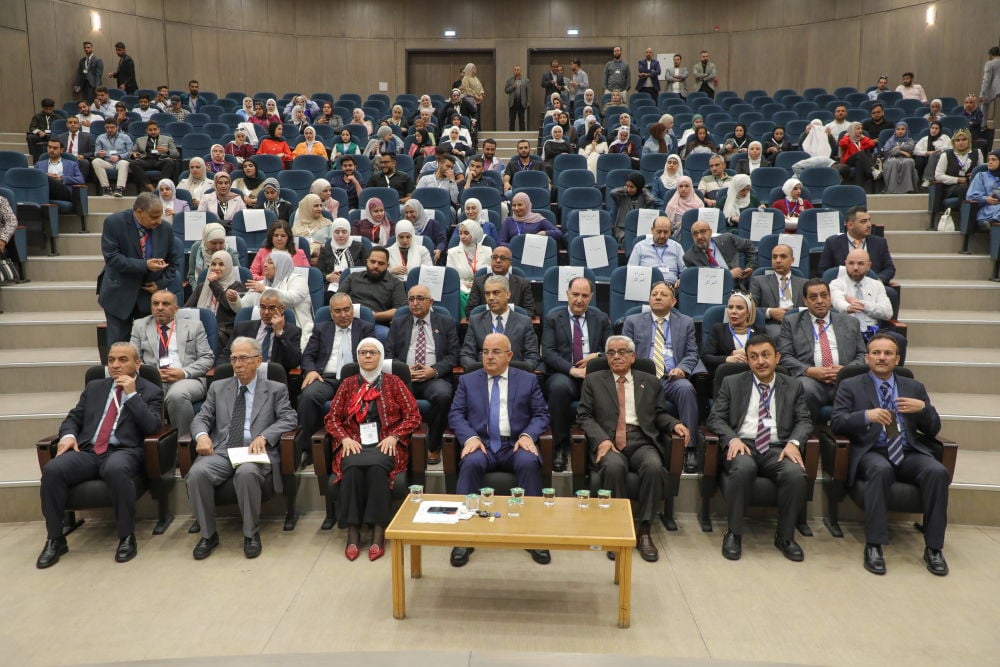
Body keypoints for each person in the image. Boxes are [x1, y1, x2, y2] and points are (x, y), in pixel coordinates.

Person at [36, 342, 163, 569]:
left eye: (123, 360)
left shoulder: (150, 391)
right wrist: (68, 435)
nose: (115, 365)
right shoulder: (95, 388)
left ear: (137, 364)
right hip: (88, 451)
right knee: (53, 470)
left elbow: (152, 426)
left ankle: (126, 536)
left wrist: (132, 395)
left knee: (116, 469)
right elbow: (74, 418)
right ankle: (55, 539)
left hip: (123, 450)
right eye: (111, 360)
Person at [831, 334, 949, 576]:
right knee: (880, 469)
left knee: (937, 471)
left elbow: (933, 429)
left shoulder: (914, 388)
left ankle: (934, 548)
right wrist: (866, 416)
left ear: (897, 359)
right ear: (867, 358)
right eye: (876, 353)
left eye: (888, 353)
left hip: (908, 450)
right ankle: (874, 545)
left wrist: (924, 409)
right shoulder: (851, 385)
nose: (882, 358)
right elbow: (837, 422)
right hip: (871, 450)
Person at [579, 334, 690, 563]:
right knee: (614, 467)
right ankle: (617, 529)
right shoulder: (593, 380)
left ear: (633, 356)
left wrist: (674, 424)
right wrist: (601, 440)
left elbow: (658, 413)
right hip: (608, 439)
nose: (616, 357)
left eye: (622, 352)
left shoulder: (650, 381)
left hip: (641, 439)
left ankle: (645, 530)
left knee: (654, 467)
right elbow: (584, 416)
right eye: (611, 353)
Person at [187, 336, 297, 560]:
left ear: (258, 361)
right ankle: (208, 535)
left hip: (253, 451)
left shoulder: (275, 389)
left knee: (246, 473)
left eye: (244, 358)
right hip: (223, 449)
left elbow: (289, 418)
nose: (237, 364)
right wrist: (202, 436)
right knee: (197, 473)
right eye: (234, 359)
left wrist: (264, 436)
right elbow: (202, 417)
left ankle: (250, 534)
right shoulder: (218, 387)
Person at [449, 333, 551, 567]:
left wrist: (527, 435)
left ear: (509, 355)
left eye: (496, 352)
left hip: (514, 443)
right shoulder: (468, 380)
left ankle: (534, 534)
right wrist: (470, 437)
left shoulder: (527, 380)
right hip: (482, 443)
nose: (489, 357)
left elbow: (541, 414)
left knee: (528, 462)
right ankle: (463, 537)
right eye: (485, 351)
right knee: (471, 463)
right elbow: (455, 414)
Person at [706, 334, 811, 562]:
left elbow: (804, 420)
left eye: (765, 355)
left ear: (777, 357)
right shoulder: (732, 383)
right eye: (753, 357)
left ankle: (785, 537)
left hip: (777, 447)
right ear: (748, 360)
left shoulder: (793, 386)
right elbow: (715, 418)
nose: (760, 361)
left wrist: (794, 443)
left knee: (794, 474)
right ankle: (734, 533)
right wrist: (732, 439)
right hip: (743, 444)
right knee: (743, 468)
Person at [321, 336, 420, 561]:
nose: (367, 356)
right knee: (351, 466)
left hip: (385, 443)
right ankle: (353, 530)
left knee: (377, 465)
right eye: (362, 352)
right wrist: (344, 439)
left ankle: (378, 529)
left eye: (372, 352)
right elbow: (332, 418)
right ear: (357, 357)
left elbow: (413, 415)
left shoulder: (394, 382)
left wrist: (395, 436)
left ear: (381, 356)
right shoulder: (347, 384)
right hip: (354, 443)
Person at [621, 282, 704, 472]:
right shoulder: (632, 321)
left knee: (686, 388)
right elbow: (624, 352)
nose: (658, 297)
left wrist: (682, 368)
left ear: (673, 301)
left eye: (663, 294)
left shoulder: (686, 322)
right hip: (642, 378)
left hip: (671, 378)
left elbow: (692, 353)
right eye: (654, 294)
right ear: (649, 298)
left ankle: (689, 447)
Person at [542, 277, 611, 472]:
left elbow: (612, 350)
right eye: (575, 294)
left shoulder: (600, 318)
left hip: (593, 373)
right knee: (559, 388)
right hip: (564, 372)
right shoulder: (553, 318)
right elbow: (548, 353)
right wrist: (573, 370)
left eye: (584, 296)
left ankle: (600, 445)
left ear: (591, 297)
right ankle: (560, 446)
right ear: (567, 294)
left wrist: (597, 356)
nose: (579, 300)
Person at [384, 285, 459, 466]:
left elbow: (454, 354)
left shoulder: (446, 322)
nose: (415, 303)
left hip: (433, 377)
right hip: (404, 378)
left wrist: (434, 370)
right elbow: (387, 354)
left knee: (443, 395)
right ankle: (398, 443)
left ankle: (433, 445)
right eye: (411, 299)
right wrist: (404, 370)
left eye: (420, 298)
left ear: (431, 302)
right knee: (386, 395)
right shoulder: (398, 322)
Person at [777, 278, 867, 420]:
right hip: (810, 379)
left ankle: (848, 430)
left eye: (824, 296)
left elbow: (862, 354)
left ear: (830, 298)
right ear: (805, 301)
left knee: (861, 387)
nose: (819, 301)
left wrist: (845, 371)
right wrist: (809, 371)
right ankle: (810, 430)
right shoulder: (792, 322)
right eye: (813, 297)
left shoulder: (850, 322)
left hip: (844, 378)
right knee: (803, 388)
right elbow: (785, 356)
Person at [130, 289, 214, 437]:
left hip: (187, 379)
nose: (160, 307)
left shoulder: (194, 326)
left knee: (177, 395)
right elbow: (133, 359)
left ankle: (183, 443)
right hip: (152, 380)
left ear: (176, 309)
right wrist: (153, 374)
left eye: (165, 304)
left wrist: (184, 372)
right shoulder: (139, 325)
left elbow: (207, 357)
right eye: (155, 303)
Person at [98, 193, 180, 344]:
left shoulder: (165, 228)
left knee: (150, 346)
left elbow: (174, 263)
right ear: (139, 212)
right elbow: (112, 258)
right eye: (154, 217)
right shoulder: (114, 223)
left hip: (148, 297)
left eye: (160, 216)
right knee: (119, 346)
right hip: (119, 293)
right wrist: (145, 265)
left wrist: (159, 285)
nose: (158, 221)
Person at [818, 206, 898, 314]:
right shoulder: (833, 242)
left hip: (870, 289)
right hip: (843, 288)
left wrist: (878, 280)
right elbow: (823, 270)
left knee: (891, 293)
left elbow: (889, 268)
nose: (869, 225)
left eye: (869, 220)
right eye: (863, 221)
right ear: (850, 225)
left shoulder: (879, 243)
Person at [461, 275, 540, 369]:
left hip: (514, 374)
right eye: (487, 294)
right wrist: (484, 370)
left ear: (508, 294)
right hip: (484, 373)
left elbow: (532, 356)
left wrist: (511, 371)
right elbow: (466, 355)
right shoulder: (476, 321)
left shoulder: (524, 322)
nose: (491, 298)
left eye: (496, 293)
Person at [241, 251, 313, 349]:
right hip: (263, 329)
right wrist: (234, 300)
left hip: (295, 330)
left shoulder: (297, 280)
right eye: (265, 262)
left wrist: (265, 289)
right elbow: (243, 307)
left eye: (270, 262)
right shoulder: (261, 284)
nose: (265, 265)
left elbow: (293, 298)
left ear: (281, 265)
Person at [223, 288, 302, 374]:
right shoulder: (243, 328)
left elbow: (294, 362)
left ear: (282, 309)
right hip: (243, 374)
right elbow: (226, 355)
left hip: (273, 377)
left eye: (272, 308)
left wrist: (280, 333)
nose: (266, 312)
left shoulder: (293, 331)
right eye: (263, 307)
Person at [337, 247, 406, 341]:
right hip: (349, 320)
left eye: (381, 263)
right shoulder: (353, 277)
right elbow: (337, 300)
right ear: (367, 262)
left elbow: (399, 310)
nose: (376, 266)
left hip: (376, 324)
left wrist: (373, 315)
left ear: (387, 266)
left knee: (385, 335)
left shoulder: (395, 283)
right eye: (372, 262)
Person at [185, 250, 245, 351]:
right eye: (213, 264)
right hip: (200, 327)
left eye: (221, 264)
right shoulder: (201, 287)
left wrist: (214, 284)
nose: (216, 268)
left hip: (223, 332)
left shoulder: (237, 287)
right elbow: (188, 309)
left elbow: (228, 306)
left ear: (228, 266)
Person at [830, 249, 894, 341]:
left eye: (860, 264)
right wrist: (848, 307)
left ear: (868, 266)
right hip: (847, 331)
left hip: (873, 332)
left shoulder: (877, 285)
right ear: (845, 264)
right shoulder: (836, 284)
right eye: (851, 263)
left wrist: (864, 305)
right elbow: (838, 301)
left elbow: (888, 312)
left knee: (899, 339)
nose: (855, 267)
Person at [750, 243, 807, 339]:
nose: (778, 260)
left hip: (800, 323)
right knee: (778, 335)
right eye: (774, 257)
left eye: (783, 256)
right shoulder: (758, 281)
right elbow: (750, 309)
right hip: (773, 324)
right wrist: (770, 312)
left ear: (792, 260)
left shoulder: (804, 283)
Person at [683, 219, 757, 290]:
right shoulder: (689, 257)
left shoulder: (727, 239)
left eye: (703, 231)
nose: (699, 236)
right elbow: (701, 283)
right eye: (695, 233)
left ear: (710, 232)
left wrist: (750, 266)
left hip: (737, 287)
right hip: (713, 291)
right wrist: (728, 275)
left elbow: (749, 246)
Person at [466, 245, 535, 316]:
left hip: (514, 322)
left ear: (510, 262)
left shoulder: (523, 284)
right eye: (494, 257)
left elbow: (530, 312)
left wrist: (506, 314)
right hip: (486, 321)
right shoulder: (479, 282)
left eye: (503, 258)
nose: (498, 261)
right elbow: (470, 311)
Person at [702, 292, 758, 377]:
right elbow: (706, 357)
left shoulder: (758, 331)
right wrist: (727, 358)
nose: (733, 311)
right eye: (730, 307)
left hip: (753, 374)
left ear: (748, 312)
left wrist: (748, 352)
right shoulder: (718, 329)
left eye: (739, 308)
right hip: (727, 375)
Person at [932, 129, 983, 218]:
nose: (961, 142)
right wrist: (957, 180)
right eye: (958, 140)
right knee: (964, 188)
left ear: (969, 140)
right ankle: (966, 219)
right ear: (953, 142)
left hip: (972, 185)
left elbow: (982, 172)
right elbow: (938, 176)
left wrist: (974, 175)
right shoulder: (946, 155)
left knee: (969, 188)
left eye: (964, 139)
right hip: (951, 188)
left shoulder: (977, 152)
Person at [447, 219, 493, 313]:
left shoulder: (488, 251)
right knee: (460, 296)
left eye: (466, 233)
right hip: (461, 287)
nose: (462, 236)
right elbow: (450, 277)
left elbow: (491, 274)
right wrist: (463, 284)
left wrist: (477, 285)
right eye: (460, 233)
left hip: (483, 286)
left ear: (475, 233)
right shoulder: (452, 252)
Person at [627, 216, 685, 285]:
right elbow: (631, 271)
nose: (662, 235)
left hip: (670, 286)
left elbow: (685, 271)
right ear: (652, 230)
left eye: (666, 232)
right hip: (647, 285)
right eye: (659, 231)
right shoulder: (640, 247)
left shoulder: (677, 247)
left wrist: (681, 279)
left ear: (670, 232)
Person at [317, 218, 368, 288]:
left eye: (344, 232)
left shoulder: (360, 247)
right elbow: (318, 273)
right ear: (332, 233)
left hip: (355, 285)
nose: (340, 235)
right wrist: (327, 277)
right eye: (337, 232)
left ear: (349, 232)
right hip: (331, 285)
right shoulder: (326, 249)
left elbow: (366, 270)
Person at [187, 221, 239, 288]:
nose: (217, 247)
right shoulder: (197, 248)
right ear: (206, 240)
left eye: (221, 243)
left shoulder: (230, 253)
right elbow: (191, 276)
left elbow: (237, 277)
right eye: (214, 243)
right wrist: (198, 290)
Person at [498, 192, 562, 246]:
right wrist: (514, 246)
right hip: (513, 253)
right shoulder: (508, 221)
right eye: (514, 205)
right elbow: (501, 242)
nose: (516, 208)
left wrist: (544, 233)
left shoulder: (538, 219)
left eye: (520, 205)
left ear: (527, 205)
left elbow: (559, 233)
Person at [128, 121, 178, 191]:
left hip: (161, 160)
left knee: (170, 162)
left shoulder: (167, 139)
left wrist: (167, 151)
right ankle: (151, 188)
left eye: (155, 129)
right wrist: (134, 154)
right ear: (147, 130)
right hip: (146, 160)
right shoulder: (140, 140)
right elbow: (131, 152)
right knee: (133, 163)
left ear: (159, 129)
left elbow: (176, 154)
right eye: (150, 130)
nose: (153, 132)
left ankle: (159, 187)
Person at [611, 172, 658, 243]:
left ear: (638, 187)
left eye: (632, 187)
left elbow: (652, 199)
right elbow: (612, 192)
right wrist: (625, 189)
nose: (629, 189)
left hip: (640, 230)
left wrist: (643, 190)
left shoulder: (644, 197)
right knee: (627, 241)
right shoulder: (622, 196)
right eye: (627, 186)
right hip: (623, 230)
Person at [92, 118, 132, 196]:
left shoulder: (125, 137)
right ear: (105, 127)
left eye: (112, 127)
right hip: (107, 162)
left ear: (117, 127)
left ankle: (119, 188)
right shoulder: (100, 138)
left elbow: (130, 152)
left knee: (124, 163)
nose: (109, 129)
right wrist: (99, 153)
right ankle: (106, 188)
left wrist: (119, 157)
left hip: (120, 162)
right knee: (95, 161)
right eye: (107, 127)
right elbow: (96, 152)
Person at [966, 149, 1000, 238]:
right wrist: (986, 199)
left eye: (994, 159)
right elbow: (970, 196)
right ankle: (992, 222)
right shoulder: (981, 176)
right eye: (988, 160)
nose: (990, 162)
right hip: (987, 210)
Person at [838, 122, 879, 193]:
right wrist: (846, 136)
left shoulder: (861, 140)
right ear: (852, 130)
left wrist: (863, 137)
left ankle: (858, 189)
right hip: (848, 161)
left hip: (858, 160)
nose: (860, 131)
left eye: (861, 129)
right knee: (860, 153)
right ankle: (872, 170)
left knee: (859, 163)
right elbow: (843, 144)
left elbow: (871, 144)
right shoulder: (847, 140)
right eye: (858, 129)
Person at [292, 193, 333, 261]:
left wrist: (321, 246)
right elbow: (292, 247)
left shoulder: (328, 224)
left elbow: (332, 246)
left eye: (321, 205)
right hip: (300, 261)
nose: (320, 209)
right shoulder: (296, 227)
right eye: (316, 206)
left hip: (322, 260)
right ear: (307, 207)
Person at [881, 121, 919, 194]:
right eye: (898, 129)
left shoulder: (910, 140)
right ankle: (892, 189)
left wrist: (898, 147)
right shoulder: (890, 141)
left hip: (906, 159)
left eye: (902, 129)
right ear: (895, 130)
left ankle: (908, 189)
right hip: (892, 159)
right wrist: (902, 152)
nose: (900, 131)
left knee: (909, 161)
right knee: (894, 162)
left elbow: (910, 148)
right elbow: (886, 151)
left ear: (906, 130)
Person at [914, 120, 951, 188]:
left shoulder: (945, 137)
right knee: (921, 159)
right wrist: (927, 153)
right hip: (928, 158)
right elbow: (915, 151)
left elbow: (951, 149)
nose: (934, 130)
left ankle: (927, 179)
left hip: (942, 157)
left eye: (936, 128)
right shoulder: (924, 139)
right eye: (932, 128)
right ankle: (923, 180)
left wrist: (940, 151)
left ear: (940, 130)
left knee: (934, 154)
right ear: (930, 128)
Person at [58, 116, 94, 183]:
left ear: (79, 125)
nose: (73, 124)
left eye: (75, 122)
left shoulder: (87, 136)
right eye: (70, 122)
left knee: (85, 162)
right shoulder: (60, 137)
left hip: (79, 159)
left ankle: (80, 183)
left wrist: (83, 156)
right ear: (66, 125)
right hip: (65, 158)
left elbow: (92, 152)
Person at [26, 98, 58, 162]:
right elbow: (32, 127)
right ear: (43, 108)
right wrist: (39, 131)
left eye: (50, 109)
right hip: (40, 135)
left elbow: (60, 129)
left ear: (53, 108)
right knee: (30, 137)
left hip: (52, 136)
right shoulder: (37, 116)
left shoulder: (57, 117)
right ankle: (33, 155)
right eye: (46, 109)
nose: (48, 111)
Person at [980, 46, 1000, 124]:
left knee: (984, 103)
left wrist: (982, 94)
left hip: (996, 89)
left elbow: (986, 80)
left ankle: (983, 125)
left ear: (990, 54)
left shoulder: (989, 63)